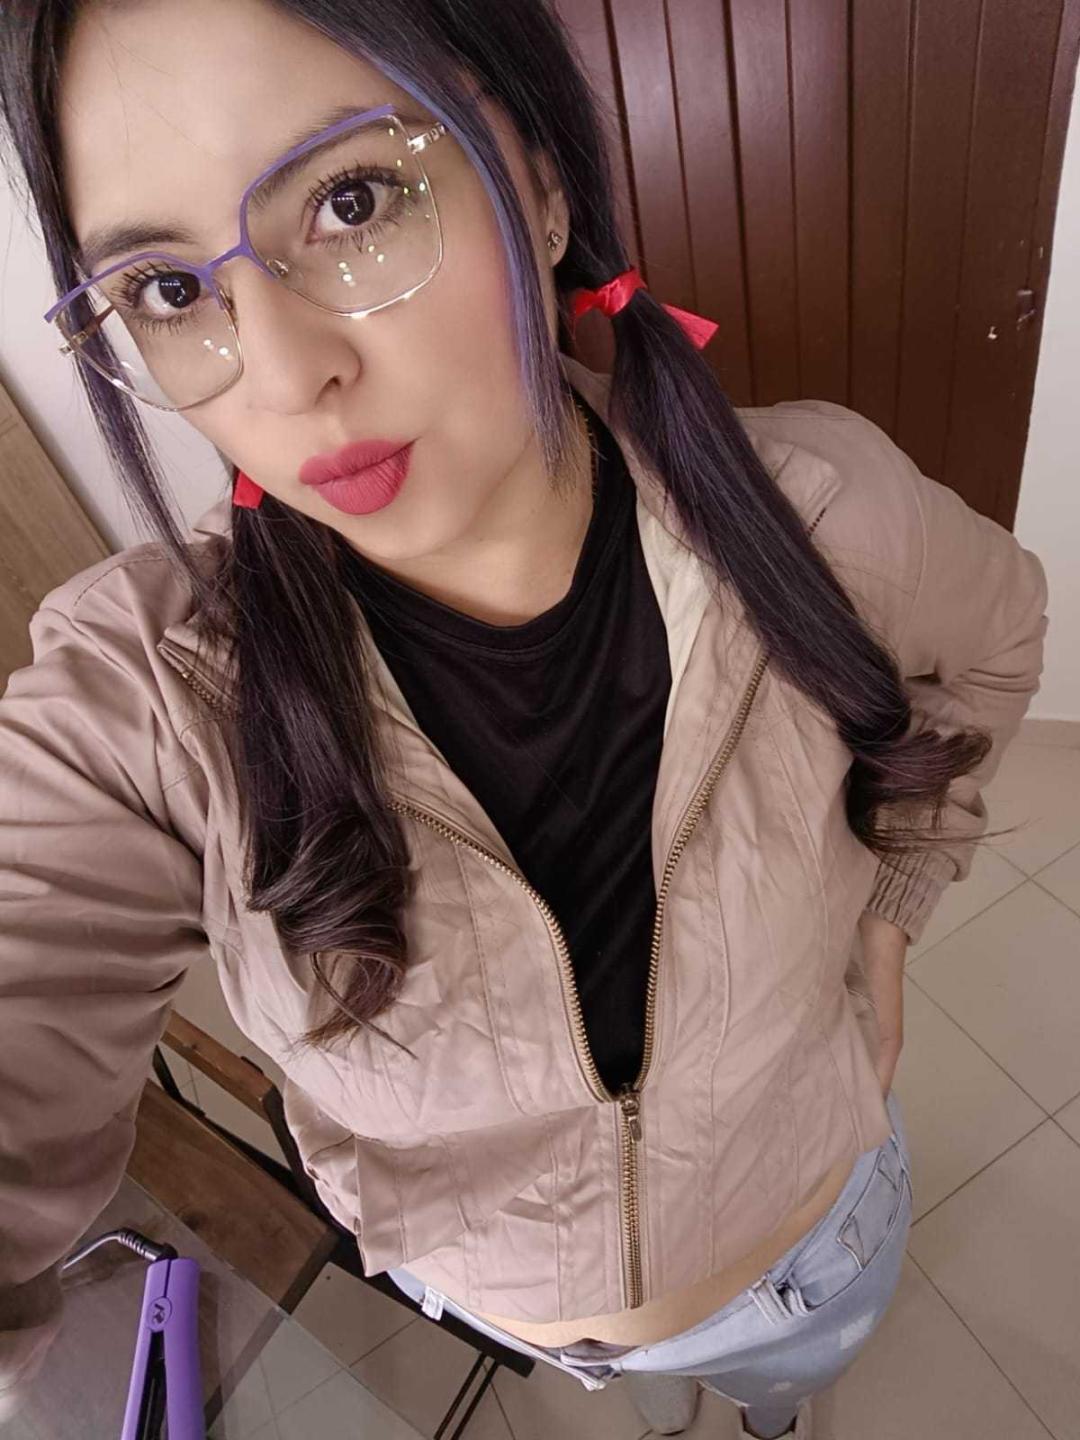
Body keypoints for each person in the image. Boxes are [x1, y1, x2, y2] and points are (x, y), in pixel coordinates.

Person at [0, 1, 1049, 1435]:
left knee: (784, 1397)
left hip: (814, 1258)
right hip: (499, 1306)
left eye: (353, 202)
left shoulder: (826, 518)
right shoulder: (149, 700)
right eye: (172, 289)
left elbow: (996, 647)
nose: (285, 374)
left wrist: (898, 893)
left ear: (544, 187)